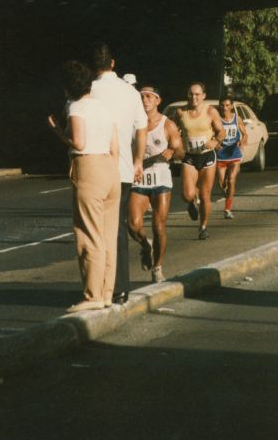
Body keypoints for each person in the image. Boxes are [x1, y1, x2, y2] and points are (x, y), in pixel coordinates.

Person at [48, 61, 120, 312]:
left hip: (88, 167)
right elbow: (115, 145)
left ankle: (92, 296)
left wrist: (57, 131)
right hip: (110, 167)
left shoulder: (76, 107)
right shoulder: (103, 107)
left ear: (68, 87)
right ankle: (107, 292)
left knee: (89, 233)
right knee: (109, 235)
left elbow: (78, 142)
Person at [89, 43, 147, 304]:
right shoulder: (131, 93)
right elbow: (141, 130)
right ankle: (120, 287)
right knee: (118, 228)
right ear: (113, 63)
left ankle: (98, 285)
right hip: (122, 168)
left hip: (94, 168)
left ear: (94, 66)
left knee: (94, 230)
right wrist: (137, 161)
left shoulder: (87, 91)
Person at [128, 86, 183, 284]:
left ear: (157, 100)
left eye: (149, 96)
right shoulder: (132, 122)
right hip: (139, 176)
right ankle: (145, 245)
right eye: (141, 96)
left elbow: (181, 153)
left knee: (159, 226)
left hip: (160, 177)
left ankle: (158, 267)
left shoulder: (167, 125)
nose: (145, 100)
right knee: (133, 225)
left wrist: (172, 151)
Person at [175, 83, 225, 240]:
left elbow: (221, 132)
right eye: (190, 94)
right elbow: (171, 130)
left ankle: (203, 227)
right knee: (186, 194)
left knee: (205, 195)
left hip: (207, 156)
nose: (193, 97)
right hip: (190, 156)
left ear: (203, 95)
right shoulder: (181, 112)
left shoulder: (210, 111)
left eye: (197, 94)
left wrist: (215, 142)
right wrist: (174, 146)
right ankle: (191, 203)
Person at [216, 96, 248, 219]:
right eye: (222, 105)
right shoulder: (217, 120)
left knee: (231, 180)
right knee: (222, 184)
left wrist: (242, 141)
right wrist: (215, 143)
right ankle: (227, 192)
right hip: (221, 155)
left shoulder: (237, 118)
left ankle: (228, 209)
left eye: (227, 105)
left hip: (234, 153)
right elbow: (212, 135)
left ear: (231, 106)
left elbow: (245, 134)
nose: (225, 108)